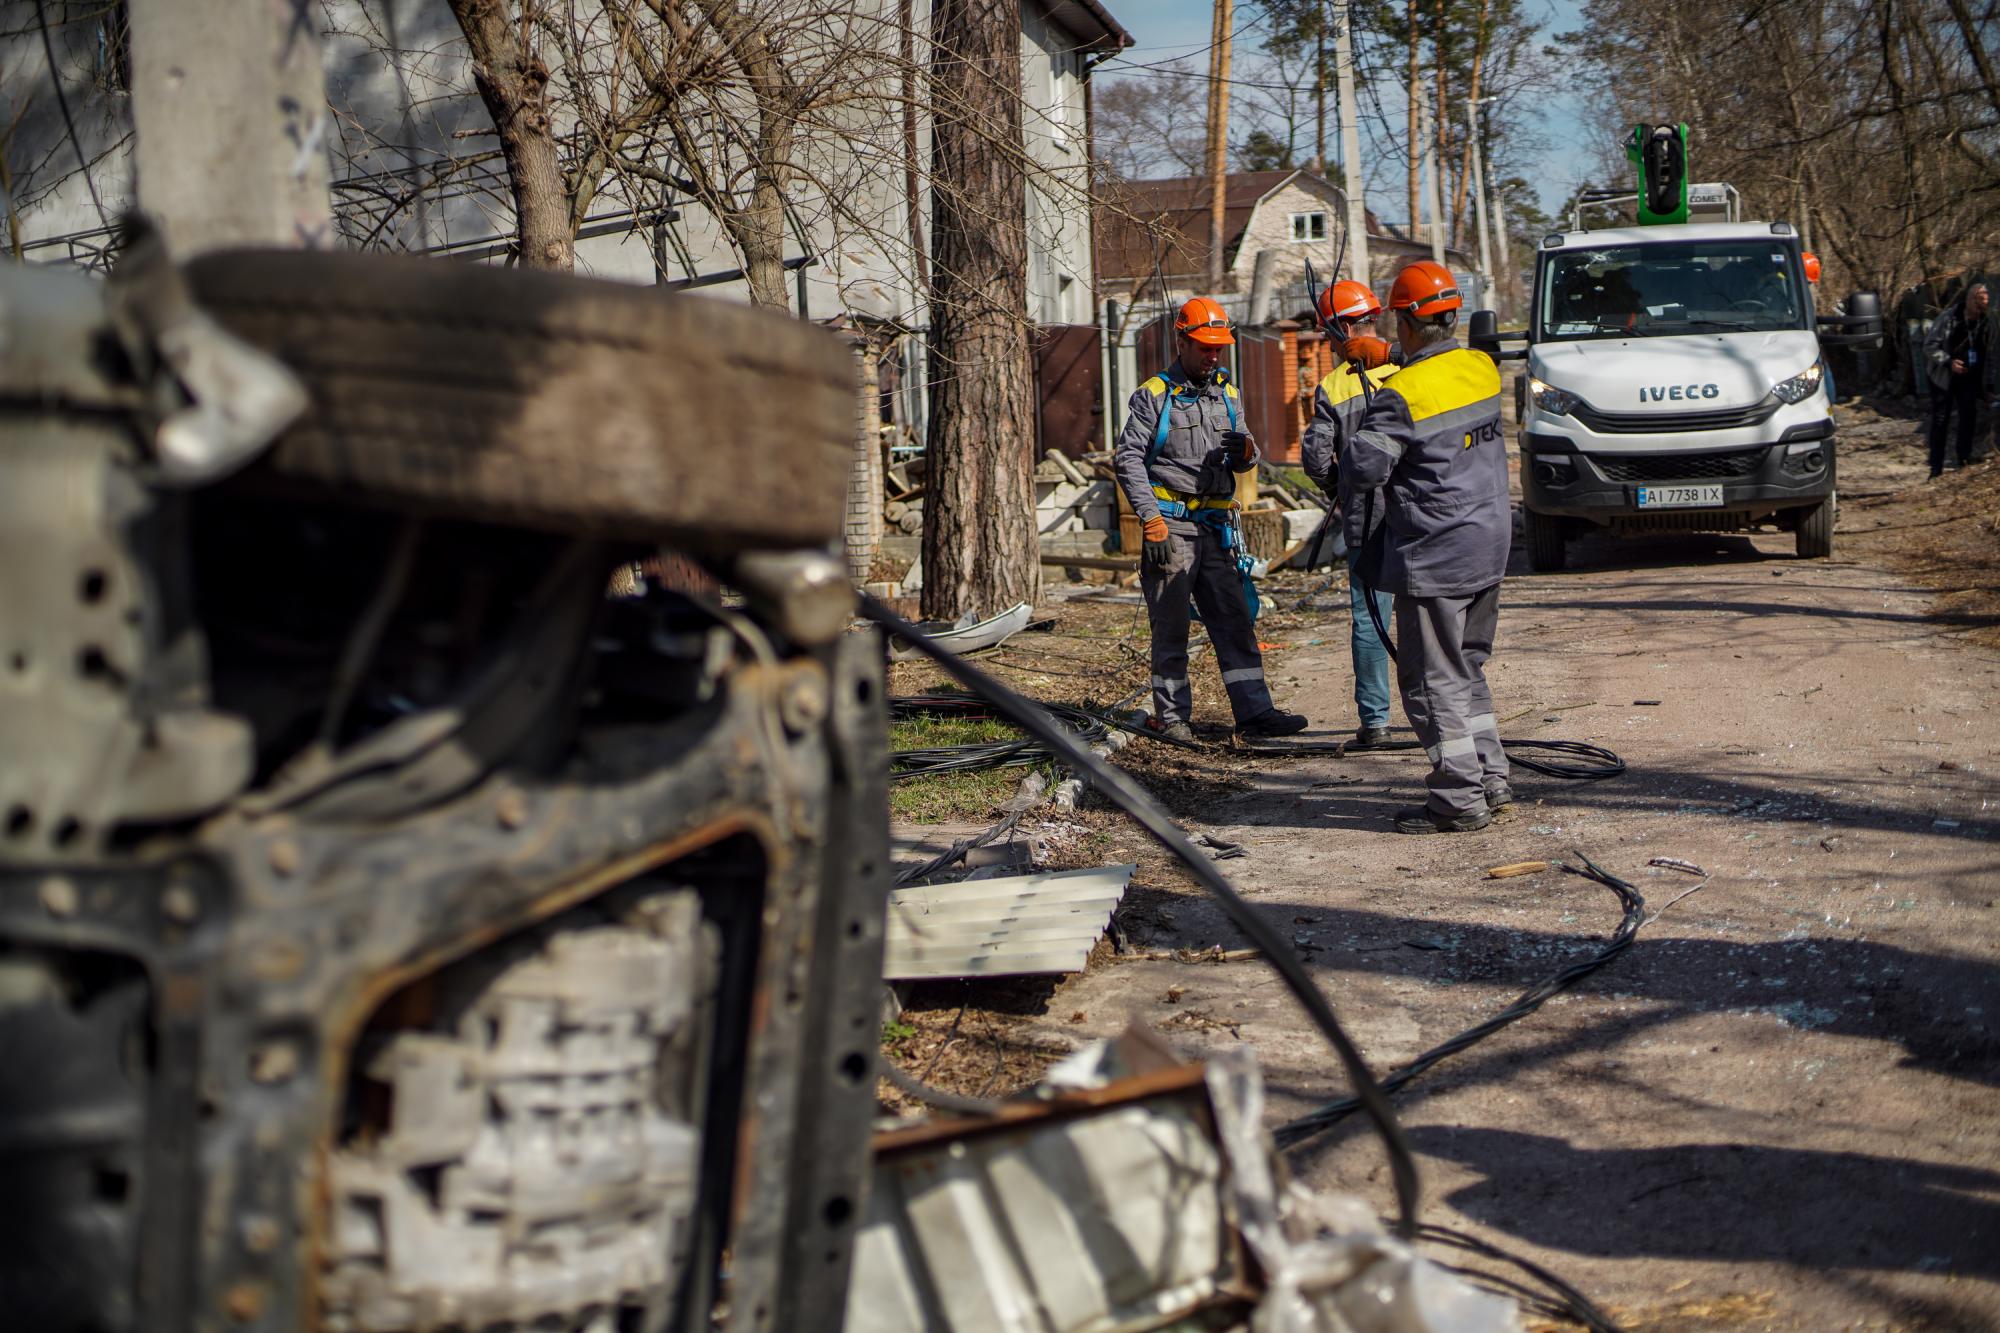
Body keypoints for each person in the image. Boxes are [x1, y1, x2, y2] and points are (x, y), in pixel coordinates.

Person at [1342, 261, 1511, 834]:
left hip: (1437, 552)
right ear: (1451, 313)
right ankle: (1491, 778)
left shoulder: (1400, 397)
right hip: (1490, 543)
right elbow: (1433, 365)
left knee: (1431, 679)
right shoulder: (1481, 369)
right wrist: (1384, 353)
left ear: (1407, 321)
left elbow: (1363, 468)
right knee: (1467, 665)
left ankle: (1458, 801)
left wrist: (1369, 403)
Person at [1114, 297, 1308, 743]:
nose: (1213, 355)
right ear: (1181, 340)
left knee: (1235, 620)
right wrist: (1151, 521)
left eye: (1219, 347)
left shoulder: (1229, 392)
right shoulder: (1154, 396)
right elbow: (1127, 460)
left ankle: (1256, 714)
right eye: (1204, 346)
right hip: (1171, 527)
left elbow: (1248, 453)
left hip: (1217, 529)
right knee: (1172, 625)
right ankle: (1173, 717)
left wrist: (1248, 454)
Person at [1301, 279, 1399, 749]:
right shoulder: (1406, 369)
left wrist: (1336, 488)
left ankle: (1376, 722)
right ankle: (1438, 714)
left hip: (1366, 518)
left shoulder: (1333, 387)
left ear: (1338, 332)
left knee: (1370, 619)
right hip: (1418, 515)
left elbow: (1317, 458)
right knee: (1425, 616)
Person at [1924, 281, 1992, 479]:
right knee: (1940, 420)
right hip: (1943, 377)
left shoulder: (1986, 322)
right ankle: (1935, 469)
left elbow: (1991, 356)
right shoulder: (1949, 318)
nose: (1982, 308)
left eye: (1985, 304)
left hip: (1969, 378)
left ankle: (1963, 460)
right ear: (1970, 300)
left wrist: (1988, 385)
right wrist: (1948, 362)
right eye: (1979, 303)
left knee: (1968, 416)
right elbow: (1929, 347)